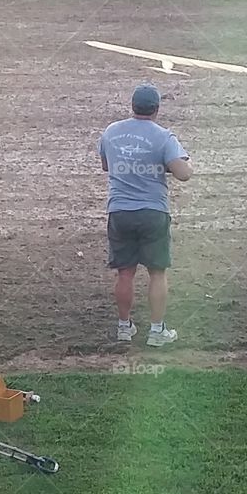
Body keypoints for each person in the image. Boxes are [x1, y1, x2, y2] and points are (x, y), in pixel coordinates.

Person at [98, 83, 192, 346]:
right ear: (157, 109)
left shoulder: (111, 132)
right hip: (152, 212)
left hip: (119, 211)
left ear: (132, 106)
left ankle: (124, 327)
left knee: (125, 273)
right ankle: (156, 330)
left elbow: (107, 164)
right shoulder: (163, 137)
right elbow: (183, 174)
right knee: (157, 272)